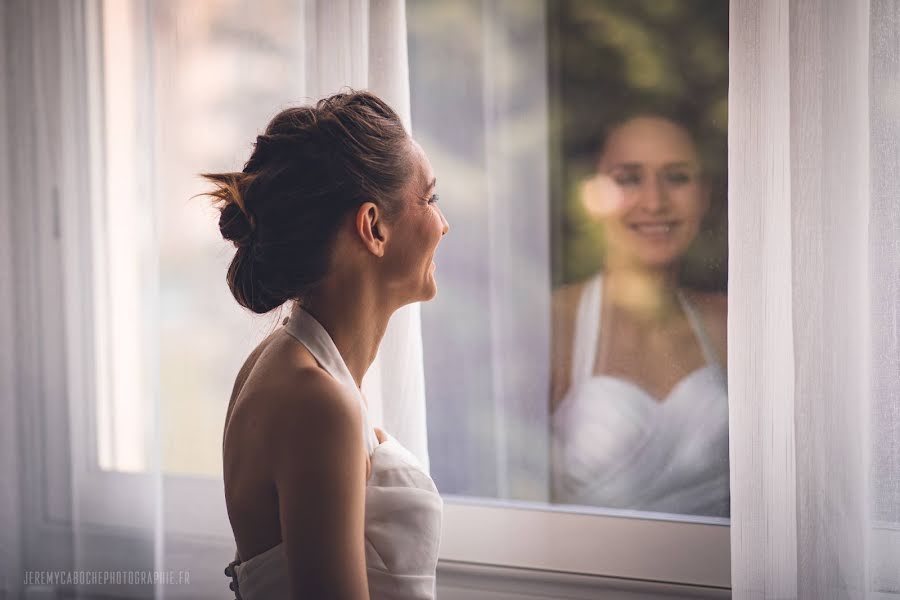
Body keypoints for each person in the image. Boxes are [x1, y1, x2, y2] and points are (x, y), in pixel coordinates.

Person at [210, 91, 449, 599]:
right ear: (372, 227)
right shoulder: (317, 403)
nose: (442, 224)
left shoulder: (285, 364)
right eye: (429, 200)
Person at [550, 115, 729, 517]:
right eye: (629, 178)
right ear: (592, 194)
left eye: (678, 177)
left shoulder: (731, 326)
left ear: (703, 194)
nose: (654, 201)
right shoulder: (556, 326)